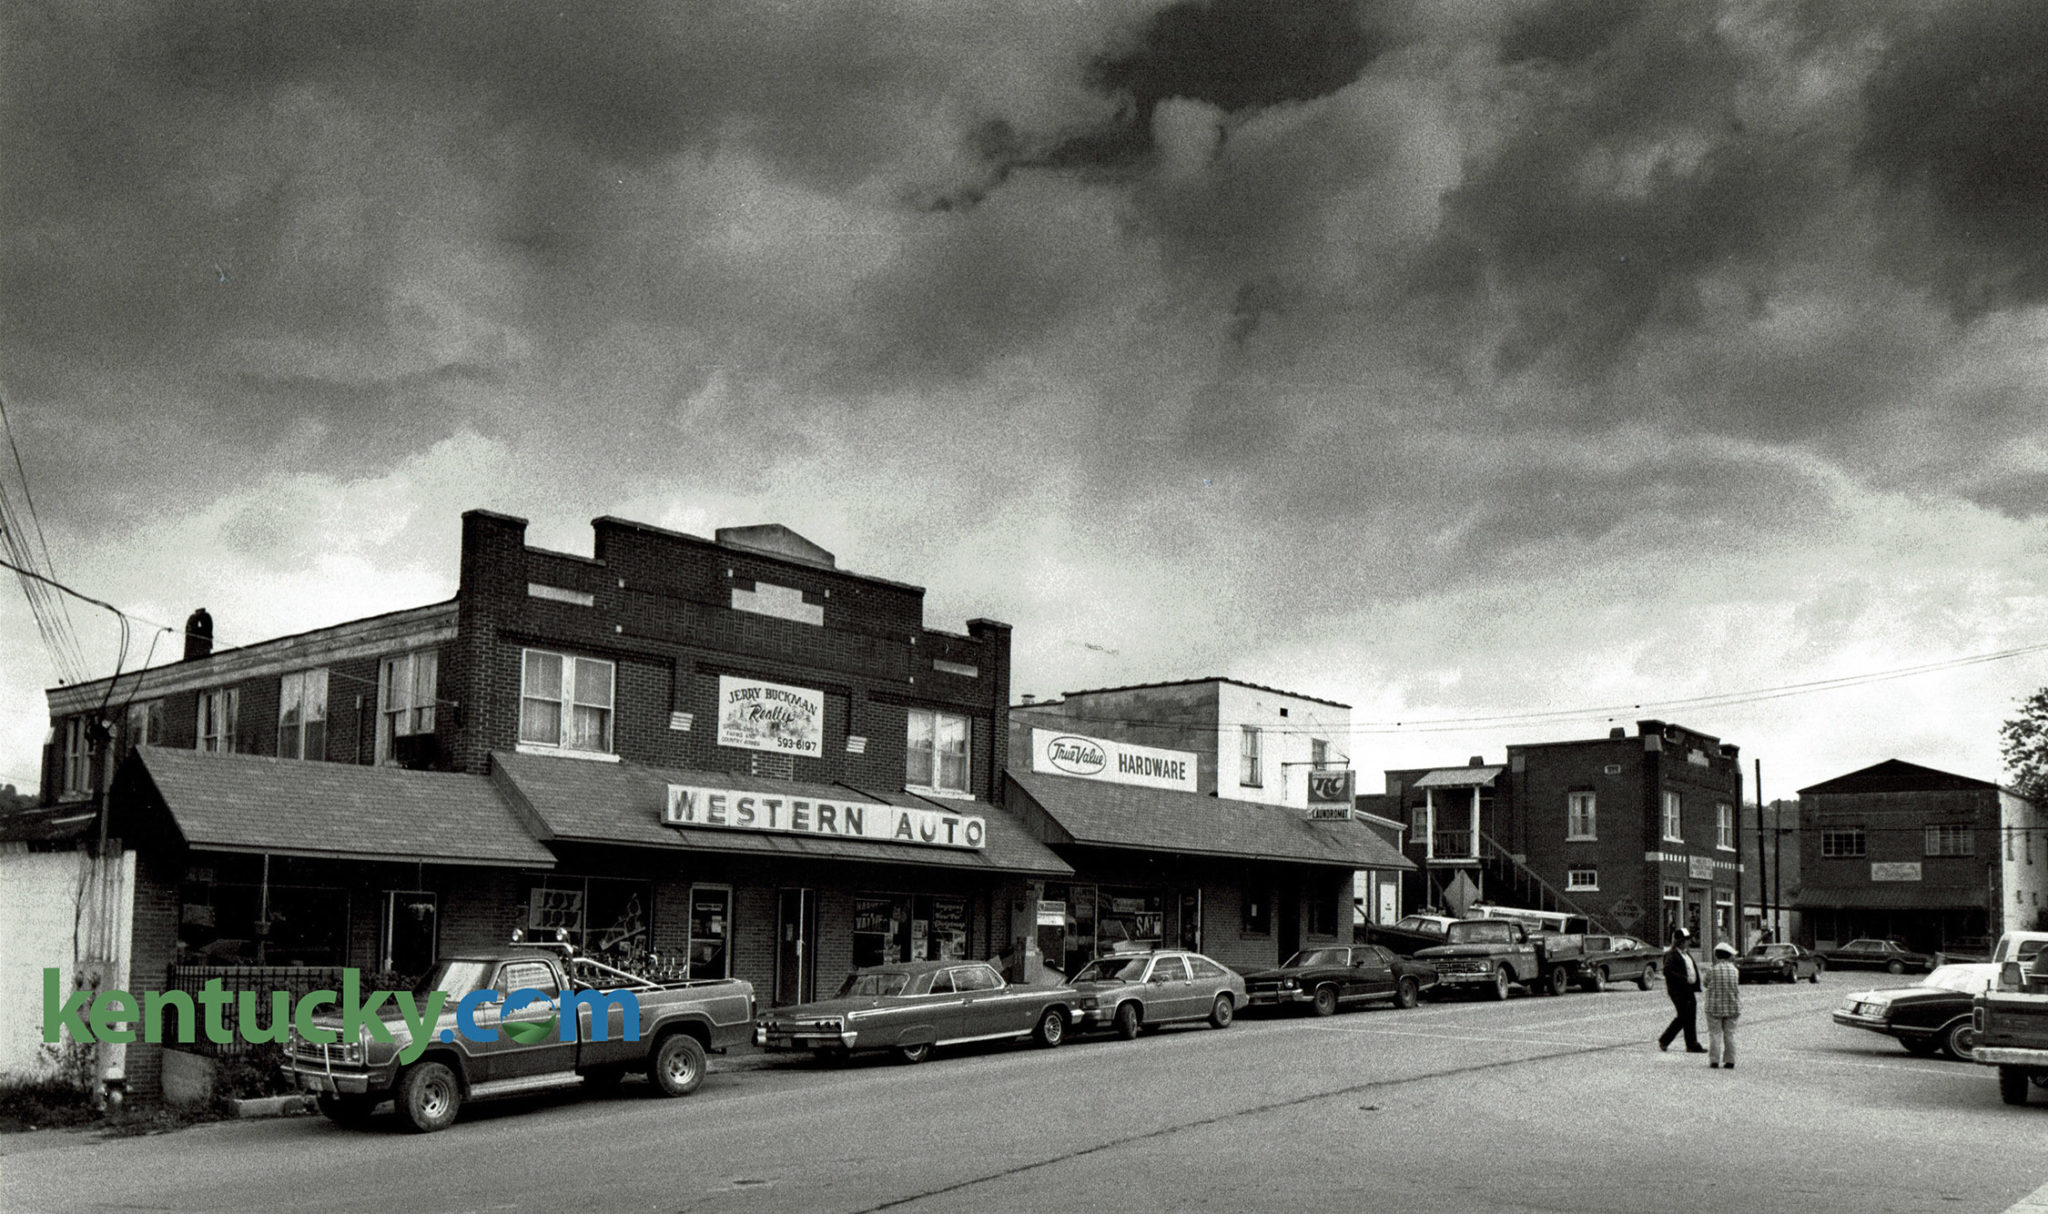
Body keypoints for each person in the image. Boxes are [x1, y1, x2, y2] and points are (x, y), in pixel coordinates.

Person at [1658, 928, 1706, 1053]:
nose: (1689, 942)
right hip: (1678, 991)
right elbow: (1667, 971)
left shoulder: (1686, 953)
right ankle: (1666, 1040)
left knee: (1690, 1016)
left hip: (1688, 989)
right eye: (1686, 940)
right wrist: (1684, 978)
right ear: (1680, 941)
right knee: (1684, 1016)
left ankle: (1690, 1044)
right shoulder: (1671, 954)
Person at [1704, 941, 1742, 1069]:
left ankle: (1714, 1060)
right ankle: (1730, 1060)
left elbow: (1705, 983)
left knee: (1715, 1034)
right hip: (1732, 1006)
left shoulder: (1711, 970)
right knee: (1730, 1034)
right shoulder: (1735, 971)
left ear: (1717, 956)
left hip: (1714, 1007)